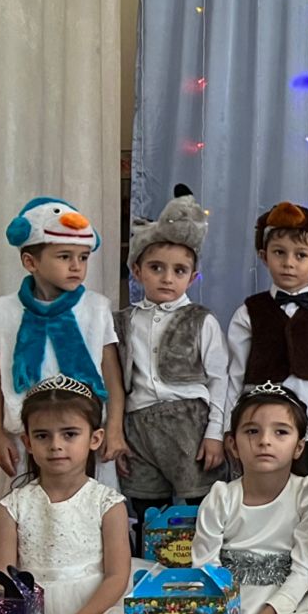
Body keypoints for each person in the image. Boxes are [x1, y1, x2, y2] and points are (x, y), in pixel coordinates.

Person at [0, 377, 130, 614]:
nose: (55, 445)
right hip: (32, 612)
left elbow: (117, 576)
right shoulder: (13, 506)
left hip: (93, 612)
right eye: (42, 436)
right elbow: (0, 581)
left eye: (69, 434)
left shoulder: (108, 503)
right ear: (27, 442)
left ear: (95, 439)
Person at [192, 384, 308, 614]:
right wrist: (227, 613)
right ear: (233, 444)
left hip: (285, 601)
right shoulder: (221, 497)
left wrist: (267, 613)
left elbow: (305, 569)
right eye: (252, 431)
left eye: (281, 432)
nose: (265, 441)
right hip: (230, 599)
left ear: (299, 446)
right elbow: (206, 566)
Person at [0, 197, 126, 497]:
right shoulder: (3, 311)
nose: (77, 266)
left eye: (83, 257)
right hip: (24, 439)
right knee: (22, 508)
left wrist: (115, 428)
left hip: (85, 437)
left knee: (91, 507)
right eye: (65, 256)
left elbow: (111, 376)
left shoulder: (97, 308)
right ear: (30, 262)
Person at [115, 185, 228, 540]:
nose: (167, 277)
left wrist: (214, 434)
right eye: (156, 268)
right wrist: (117, 431)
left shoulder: (201, 320)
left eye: (179, 271)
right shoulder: (122, 321)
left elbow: (219, 380)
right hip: (138, 427)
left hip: (189, 425)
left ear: (192, 277)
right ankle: (150, 564)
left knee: (200, 507)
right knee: (147, 511)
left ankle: (202, 564)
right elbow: (114, 381)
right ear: (137, 271)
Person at [223, 202, 308, 477]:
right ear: (264, 256)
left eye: (301, 255)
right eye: (279, 252)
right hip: (259, 428)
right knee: (260, 488)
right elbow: (233, 374)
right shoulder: (249, 311)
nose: (289, 263)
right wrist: (228, 428)